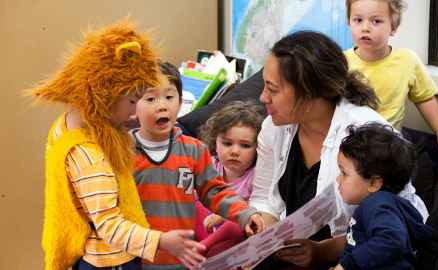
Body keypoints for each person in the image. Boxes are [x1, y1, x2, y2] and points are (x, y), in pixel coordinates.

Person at [31, 20, 206, 270]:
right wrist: (162, 241)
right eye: (133, 101)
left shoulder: (65, 125)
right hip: (112, 261)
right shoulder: (92, 157)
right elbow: (110, 225)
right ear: (107, 94)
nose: (135, 112)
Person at [248, 31, 428, 269]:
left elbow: (396, 230)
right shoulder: (274, 127)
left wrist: (323, 252)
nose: (262, 97)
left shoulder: (366, 135)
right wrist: (262, 243)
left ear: (310, 92)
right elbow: (265, 200)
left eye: (272, 89)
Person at [131, 61, 265, 270]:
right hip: (135, 259)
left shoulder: (195, 151)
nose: (162, 105)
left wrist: (244, 213)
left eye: (169, 96)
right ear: (133, 106)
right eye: (150, 98)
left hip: (181, 260)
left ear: (180, 101)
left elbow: (214, 190)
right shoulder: (123, 153)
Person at [344, 0, 438, 152]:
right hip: (350, 143)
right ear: (349, 23)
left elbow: (424, 98)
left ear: (393, 27)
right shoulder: (340, 62)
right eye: (358, 20)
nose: (365, 28)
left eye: (376, 21)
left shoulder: (407, 60)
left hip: (391, 145)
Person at [332, 123, 432, 270]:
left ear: (373, 183)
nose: (337, 179)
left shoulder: (378, 206)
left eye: (344, 173)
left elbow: (392, 239)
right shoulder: (381, 204)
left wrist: (347, 265)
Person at [194, 101, 264, 257]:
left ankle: (202, 248)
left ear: (258, 148)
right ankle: (197, 247)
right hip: (203, 229)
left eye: (245, 146)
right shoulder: (209, 165)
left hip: (230, 239)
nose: (235, 151)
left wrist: (224, 214)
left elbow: (258, 209)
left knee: (241, 220)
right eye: (227, 143)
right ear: (215, 142)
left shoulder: (255, 176)